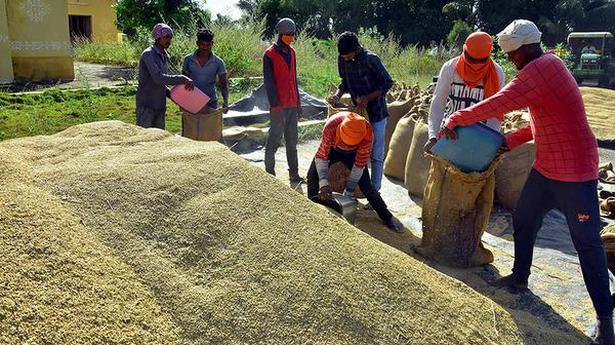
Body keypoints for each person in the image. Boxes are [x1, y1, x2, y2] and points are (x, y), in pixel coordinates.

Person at [440, 19, 614, 345]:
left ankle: (605, 319)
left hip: (576, 174)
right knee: (523, 218)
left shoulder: (543, 68)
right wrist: (513, 139)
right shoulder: (544, 67)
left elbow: (500, 102)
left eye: (514, 55)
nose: (512, 61)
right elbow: (544, 119)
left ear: (527, 48)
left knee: (587, 243)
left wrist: (458, 118)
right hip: (547, 168)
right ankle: (520, 277)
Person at [307, 112, 403, 232]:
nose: (346, 147)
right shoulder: (331, 127)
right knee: (312, 176)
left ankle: (387, 216)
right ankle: (311, 206)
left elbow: (359, 166)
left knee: (367, 186)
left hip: (353, 155)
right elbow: (322, 156)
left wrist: (349, 193)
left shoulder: (367, 135)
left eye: (350, 145)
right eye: (345, 144)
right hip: (333, 149)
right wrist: (324, 183)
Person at [330, 32, 393, 194]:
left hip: (376, 113)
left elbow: (387, 82)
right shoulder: (342, 59)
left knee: (376, 155)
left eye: (348, 55)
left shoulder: (371, 59)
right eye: (342, 56)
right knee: (357, 152)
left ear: (356, 49)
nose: (345, 59)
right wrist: (337, 95)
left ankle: (374, 192)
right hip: (358, 115)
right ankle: (356, 190)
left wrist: (368, 98)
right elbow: (344, 82)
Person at [425, 32, 505, 153]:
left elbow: (495, 112)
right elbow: (438, 103)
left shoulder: (497, 73)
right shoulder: (450, 68)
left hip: (479, 138)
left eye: (481, 61)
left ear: (489, 55)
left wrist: (487, 144)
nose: (476, 65)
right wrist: (433, 136)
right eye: (471, 59)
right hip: (449, 132)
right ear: (464, 50)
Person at [263, 18, 303, 183]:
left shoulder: (292, 52)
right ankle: (269, 173)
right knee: (274, 140)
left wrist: (299, 103)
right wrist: (275, 106)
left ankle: (294, 174)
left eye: (293, 34)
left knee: (292, 141)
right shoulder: (269, 54)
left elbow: (294, 79)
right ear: (281, 34)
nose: (292, 37)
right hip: (279, 106)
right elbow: (269, 83)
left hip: (292, 104)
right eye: (289, 34)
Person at [136, 23, 193, 129]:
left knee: (159, 140)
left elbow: (162, 83)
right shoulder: (148, 54)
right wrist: (182, 79)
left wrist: (174, 96)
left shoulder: (165, 56)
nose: (169, 40)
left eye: (170, 37)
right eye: (166, 37)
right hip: (147, 105)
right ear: (158, 37)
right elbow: (158, 78)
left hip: (159, 105)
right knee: (144, 139)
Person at [182, 28, 229, 114]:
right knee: (190, 127)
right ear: (197, 44)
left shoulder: (218, 62)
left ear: (212, 44)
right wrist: (182, 102)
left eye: (208, 45)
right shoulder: (188, 60)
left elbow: (224, 85)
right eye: (202, 44)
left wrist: (226, 102)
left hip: (211, 102)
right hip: (191, 102)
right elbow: (183, 82)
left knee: (211, 127)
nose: (205, 48)